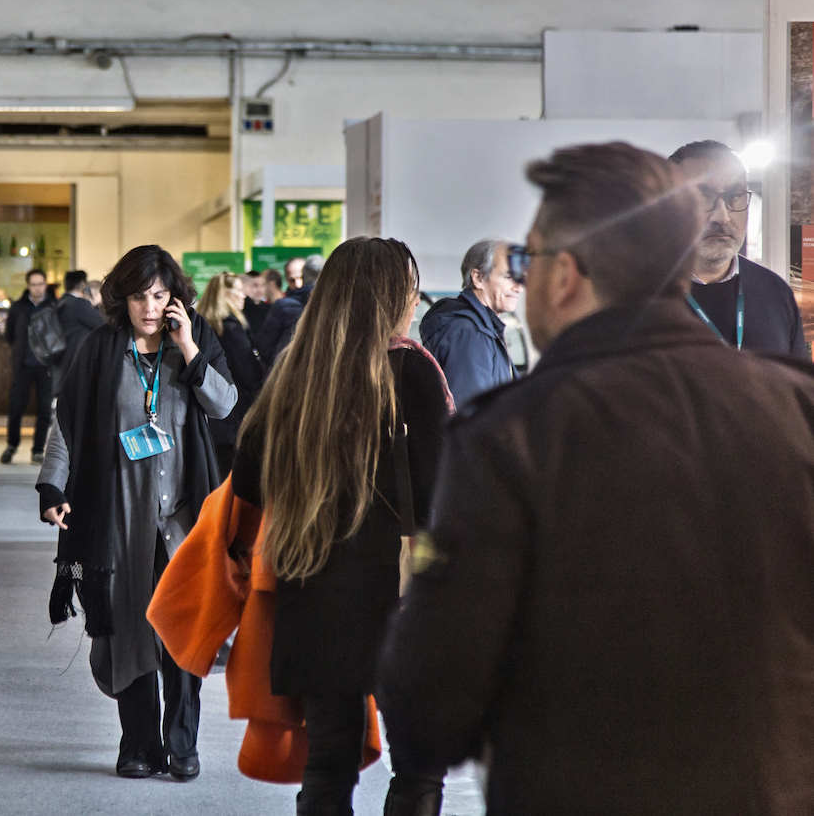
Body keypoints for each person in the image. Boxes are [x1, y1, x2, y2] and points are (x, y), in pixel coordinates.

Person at [378, 142, 814, 815]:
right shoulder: (796, 411)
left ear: (564, 276)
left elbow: (427, 702)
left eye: (528, 260)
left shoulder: (511, 436)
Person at [233, 238, 450, 815]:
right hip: (400, 596)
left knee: (328, 758)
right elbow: (440, 491)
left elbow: (250, 480)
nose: (415, 300)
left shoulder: (295, 373)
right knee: (419, 763)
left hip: (312, 590)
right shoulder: (412, 371)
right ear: (388, 296)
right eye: (409, 287)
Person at [38, 245, 237, 781]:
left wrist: (191, 349)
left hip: (184, 518)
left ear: (175, 298)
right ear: (121, 299)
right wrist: (53, 487)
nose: (150, 307)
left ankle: (183, 743)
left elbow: (224, 405)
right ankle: (139, 743)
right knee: (126, 631)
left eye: (159, 296)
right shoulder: (101, 350)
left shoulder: (192, 342)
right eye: (138, 297)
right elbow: (68, 426)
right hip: (117, 517)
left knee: (182, 631)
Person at [670, 140, 808, 357]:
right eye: (703, 197)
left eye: (735, 196)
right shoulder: (631, 294)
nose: (722, 217)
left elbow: (799, 388)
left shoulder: (775, 292)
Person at [418, 239, 522, 405]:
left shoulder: (484, 330)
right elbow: (470, 415)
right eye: (508, 277)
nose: (518, 287)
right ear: (478, 278)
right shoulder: (470, 334)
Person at [198, 272, 265, 474]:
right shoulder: (232, 330)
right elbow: (249, 374)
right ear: (224, 295)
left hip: (211, 416)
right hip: (235, 416)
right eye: (238, 290)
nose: (244, 295)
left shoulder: (202, 328)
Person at [3, 268, 55, 464]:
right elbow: (9, 335)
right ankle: (11, 445)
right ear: (28, 286)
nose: (37, 288)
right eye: (33, 284)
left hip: (46, 366)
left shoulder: (53, 306)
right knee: (16, 407)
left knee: (44, 409)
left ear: (45, 284)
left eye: (40, 284)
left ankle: (37, 449)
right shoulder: (18, 307)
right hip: (22, 365)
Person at [256, 254, 324, 365]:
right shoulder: (283, 306)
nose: (297, 284)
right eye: (292, 280)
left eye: (301, 278)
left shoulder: (324, 305)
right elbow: (265, 347)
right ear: (287, 279)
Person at [55, 269, 105, 371]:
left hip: (60, 356)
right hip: (74, 358)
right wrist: (96, 303)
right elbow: (102, 324)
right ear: (83, 284)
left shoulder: (62, 301)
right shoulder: (79, 304)